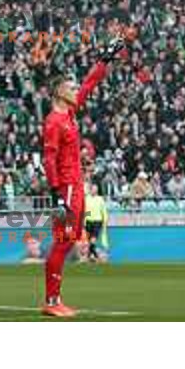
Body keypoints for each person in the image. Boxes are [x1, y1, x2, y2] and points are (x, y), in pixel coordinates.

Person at [41, 35, 126, 317]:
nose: (76, 89)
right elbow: (48, 158)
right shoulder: (54, 122)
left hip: (75, 186)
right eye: (70, 86)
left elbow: (90, 84)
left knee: (69, 240)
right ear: (58, 92)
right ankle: (52, 302)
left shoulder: (69, 112)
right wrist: (56, 194)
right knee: (63, 241)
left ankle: (55, 300)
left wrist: (104, 60)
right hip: (65, 187)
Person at [84, 183, 108, 261]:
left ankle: (95, 255)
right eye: (93, 189)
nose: (95, 191)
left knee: (93, 239)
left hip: (97, 221)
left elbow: (103, 211)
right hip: (88, 221)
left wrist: (105, 220)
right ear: (90, 190)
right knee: (89, 240)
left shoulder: (100, 199)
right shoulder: (86, 199)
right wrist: (85, 218)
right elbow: (85, 211)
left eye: (96, 189)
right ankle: (92, 255)